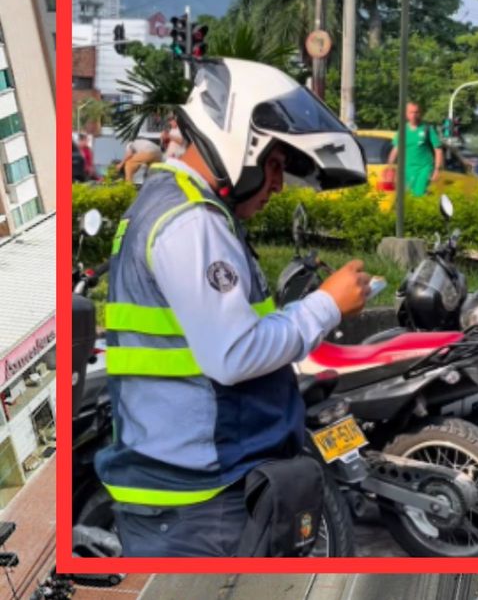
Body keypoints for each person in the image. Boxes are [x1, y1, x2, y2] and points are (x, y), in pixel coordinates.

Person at [94, 58, 370, 557]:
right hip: (200, 502)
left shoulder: (172, 205)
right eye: (276, 166)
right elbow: (236, 353)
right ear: (241, 145)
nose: (279, 185)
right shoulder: (189, 221)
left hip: (192, 489)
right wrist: (327, 305)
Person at [385, 102, 443, 197]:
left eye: (416, 112)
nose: (414, 115)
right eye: (411, 112)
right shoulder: (403, 130)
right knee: (408, 196)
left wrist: (437, 169)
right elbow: (395, 149)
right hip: (407, 169)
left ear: (420, 113)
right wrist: (389, 167)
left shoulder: (427, 128)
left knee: (419, 193)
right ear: (406, 114)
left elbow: (438, 150)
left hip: (424, 168)